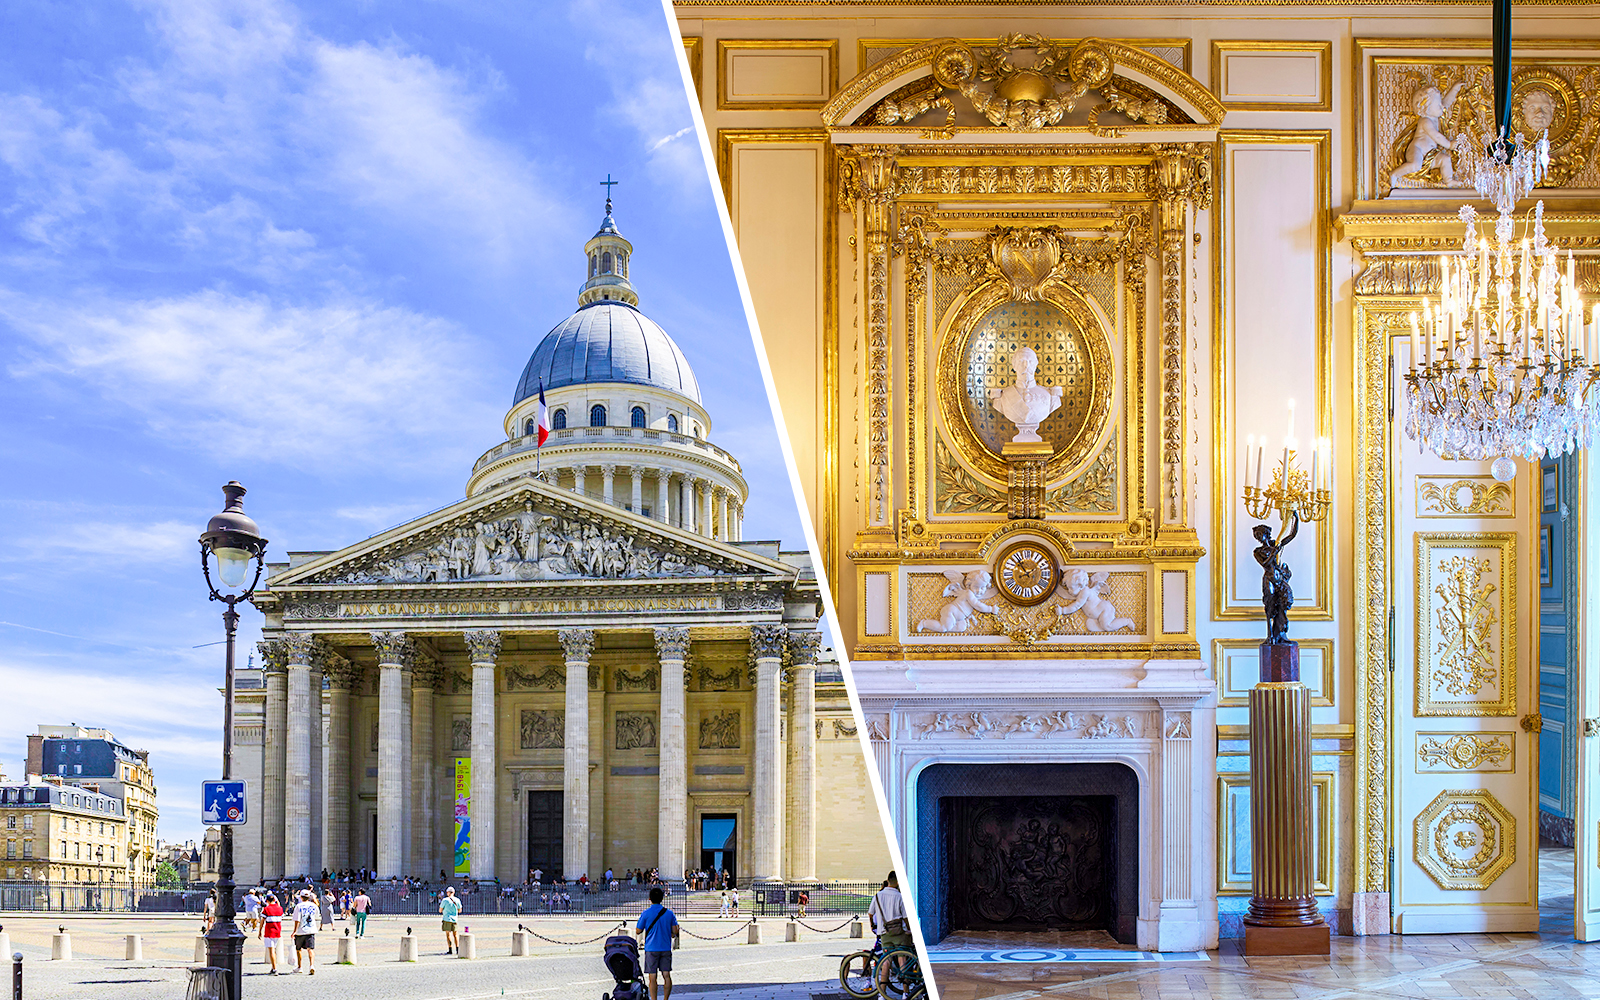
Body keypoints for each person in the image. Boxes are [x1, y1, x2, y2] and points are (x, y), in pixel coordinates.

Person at [635, 886, 679, 1000]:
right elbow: (675, 930)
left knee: (652, 977)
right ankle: (665, 999)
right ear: (662, 898)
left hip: (651, 948)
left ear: (650, 898)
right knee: (666, 975)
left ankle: (654, 999)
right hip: (665, 947)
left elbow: (638, 930)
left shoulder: (646, 913)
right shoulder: (669, 913)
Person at [868, 872, 912, 951]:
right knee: (901, 956)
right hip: (899, 931)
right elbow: (905, 917)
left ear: (888, 880)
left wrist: (872, 925)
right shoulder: (900, 896)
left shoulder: (878, 896)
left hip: (884, 931)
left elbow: (870, 913)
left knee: (886, 957)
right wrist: (909, 929)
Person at [292, 889, 319, 975]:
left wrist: (294, 931)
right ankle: (311, 965)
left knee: (298, 949)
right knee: (310, 949)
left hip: (301, 931)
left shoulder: (299, 906)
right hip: (311, 930)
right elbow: (316, 916)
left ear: (301, 897)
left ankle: (300, 967)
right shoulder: (314, 906)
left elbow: (297, 920)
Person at [261, 892, 284, 975]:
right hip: (278, 931)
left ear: (266, 900)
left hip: (269, 932)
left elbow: (262, 921)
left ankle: (274, 968)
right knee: (274, 949)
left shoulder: (266, 909)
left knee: (272, 950)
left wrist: (259, 931)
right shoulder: (280, 909)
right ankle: (273, 967)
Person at [439, 885, 462, 954]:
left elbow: (440, 910)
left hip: (447, 919)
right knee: (455, 934)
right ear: (454, 892)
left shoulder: (445, 900)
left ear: (447, 892)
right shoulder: (457, 900)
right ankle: (458, 949)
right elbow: (460, 910)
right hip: (454, 919)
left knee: (448, 934)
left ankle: (450, 949)